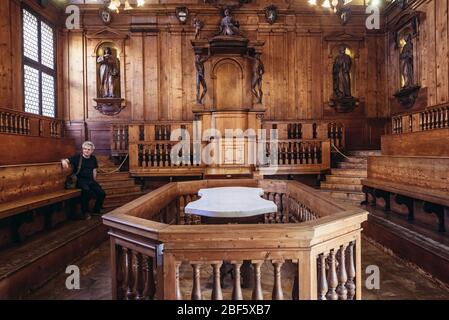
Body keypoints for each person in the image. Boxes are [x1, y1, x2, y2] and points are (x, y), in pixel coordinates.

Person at [61, 141, 106, 220]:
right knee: (86, 191)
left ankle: (96, 209)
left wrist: (94, 181)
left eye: (89, 149)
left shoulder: (93, 158)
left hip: (91, 180)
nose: (86, 151)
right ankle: (85, 212)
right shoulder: (77, 157)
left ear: (92, 151)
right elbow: (65, 160)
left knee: (102, 193)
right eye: (85, 149)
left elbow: (94, 170)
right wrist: (64, 161)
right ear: (82, 149)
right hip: (80, 180)